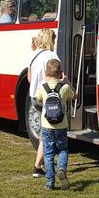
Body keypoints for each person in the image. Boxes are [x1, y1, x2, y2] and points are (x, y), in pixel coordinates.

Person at [35, 59, 77, 190]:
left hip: (47, 126)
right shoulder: (64, 88)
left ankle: (49, 183)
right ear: (60, 73)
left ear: (47, 73)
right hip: (61, 126)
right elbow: (75, 95)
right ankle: (61, 169)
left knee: (48, 154)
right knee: (63, 150)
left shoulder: (43, 87)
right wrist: (66, 81)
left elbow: (38, 100)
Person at [27, 29, 59, 178]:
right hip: (46, 97)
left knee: (43, 132)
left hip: (34, 97)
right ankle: (38, 166)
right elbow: (58, 76)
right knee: (47, 134)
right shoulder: (51, 55)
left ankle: (44, 163)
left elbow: (29, 78)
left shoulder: (33, 55)